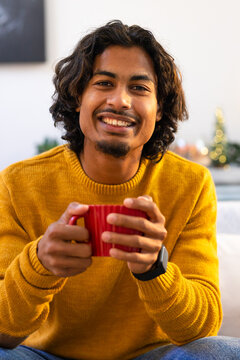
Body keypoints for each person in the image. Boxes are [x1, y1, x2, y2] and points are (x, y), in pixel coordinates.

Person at [0, 20, 239, 360]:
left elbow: (200, 331)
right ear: (78, 98)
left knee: (223, 353)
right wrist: (39, 265)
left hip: (150, 356)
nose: (121, 100)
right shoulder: (19, 183)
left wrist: (155, 269)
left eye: (140, 88)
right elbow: (3, 331)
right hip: (43, 355)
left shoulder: (191, 185)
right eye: (104, 83)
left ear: (159, 110)